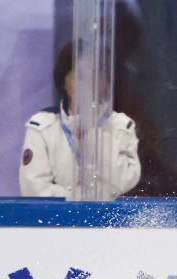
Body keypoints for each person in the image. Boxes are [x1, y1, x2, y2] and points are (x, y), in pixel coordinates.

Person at [20, 43, 141, 199]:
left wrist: (94, 133)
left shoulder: (120, 126)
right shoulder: (42, 128)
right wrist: (80, 201)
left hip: (108, 215)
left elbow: (122, 182)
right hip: (59, 215)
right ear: (63, 82)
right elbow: (34, 190)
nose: (89, 84)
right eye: (80, 76)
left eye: (96, 75)